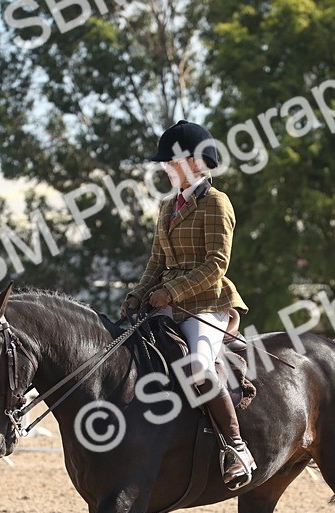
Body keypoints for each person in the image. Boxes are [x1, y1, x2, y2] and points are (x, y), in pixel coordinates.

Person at [118, 120, 257, 490]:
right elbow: (156, 264)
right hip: (166, 301)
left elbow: (216, 265)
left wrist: (172, 292)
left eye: (171, 161)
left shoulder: (215, 202)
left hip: (207, 302)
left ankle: (235, 446)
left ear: (195, 163)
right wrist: (137, 293)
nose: (165, 167)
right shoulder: (167, 207)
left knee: (196, 365)